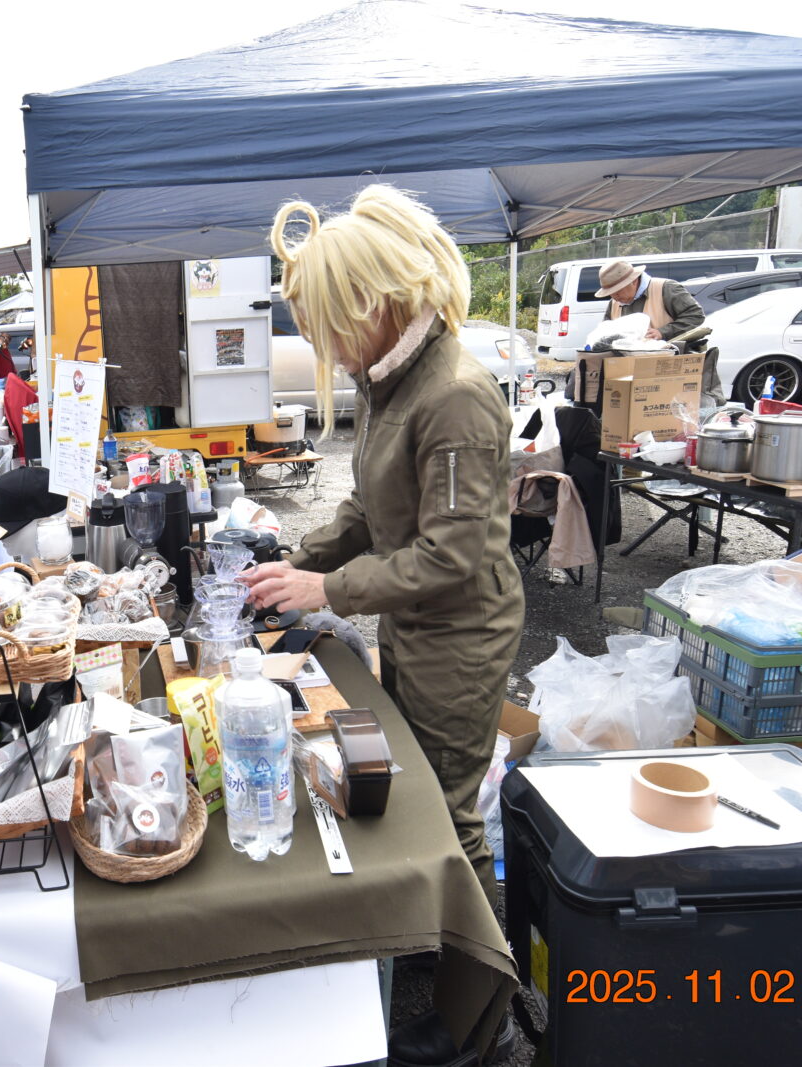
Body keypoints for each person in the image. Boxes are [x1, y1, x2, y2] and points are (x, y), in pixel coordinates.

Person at [240, 185, 524, 1064]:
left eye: (330, 326)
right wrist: (297, 560)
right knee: (413, 789)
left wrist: (325, 587)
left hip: (460, 634)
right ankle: (433, 944)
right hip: (413, 619)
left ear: (376, 301)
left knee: (449, 814)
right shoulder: (390, 381)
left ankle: (478, 1017)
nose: (326, 348)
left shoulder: (455, 396)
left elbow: (449, 557)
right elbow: (368, 505)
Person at [596, 258, 704, 341]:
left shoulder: (666, 288)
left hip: (670, 357)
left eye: (618, 291)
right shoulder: (614, 303)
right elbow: (605, 333)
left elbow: (696, 316)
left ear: (633, 281)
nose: (614, 296)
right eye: (610, 293)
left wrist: (663, 332)